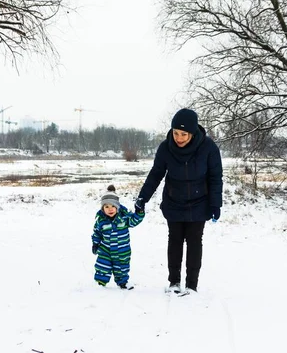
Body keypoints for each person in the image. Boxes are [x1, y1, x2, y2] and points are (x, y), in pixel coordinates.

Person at [135, 108, 223, 295]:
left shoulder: (208, 147)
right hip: (174, 201)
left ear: (192, 133)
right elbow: (156, 174)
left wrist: (215, 204)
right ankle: (174, 282)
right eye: (176, 133)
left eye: (184, 134)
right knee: (174, 241)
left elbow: (216, 177)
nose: (179, 138)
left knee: (194, 242)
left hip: (199, 203)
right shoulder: (165, 148)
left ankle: (192, 285)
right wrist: (143, 197)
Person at [91, 184, 145, 290]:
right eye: (106, 207)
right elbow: (97, 233)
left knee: (122, 267)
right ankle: (100, 283)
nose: (110, 209)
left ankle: (123, 282)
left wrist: (139, 212)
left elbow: (134, 221)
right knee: (102, 265)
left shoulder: (124, 218)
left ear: (117, 207)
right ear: (102, 208)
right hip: (106, 249)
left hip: (122, 250)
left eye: (112, 206)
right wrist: (95, 243)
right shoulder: (101, 221)